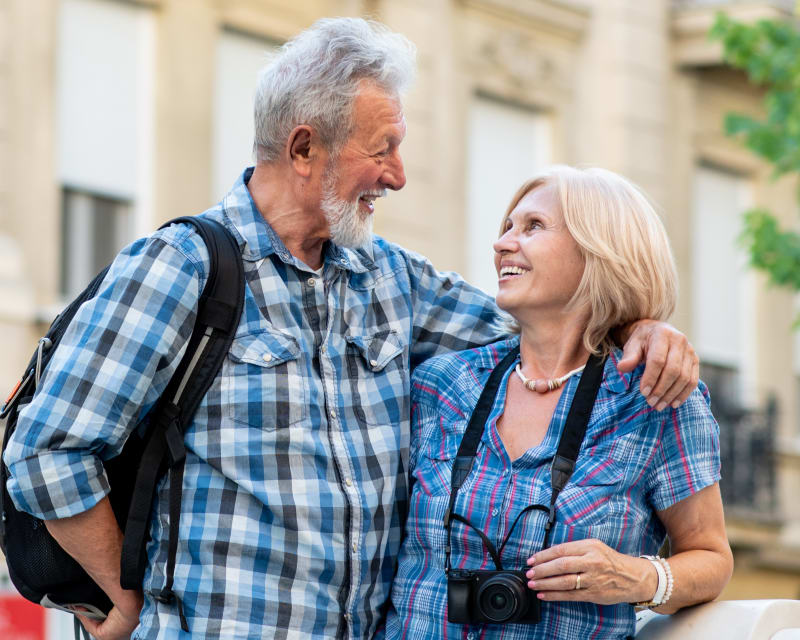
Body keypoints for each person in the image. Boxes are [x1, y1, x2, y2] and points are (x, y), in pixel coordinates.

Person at [5, 19, 698, 640]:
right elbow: (48, 451)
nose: (397, 175)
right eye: (383, 148)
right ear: (304, 148)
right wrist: (123, 600)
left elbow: (551, 324)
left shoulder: (392, 279)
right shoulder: (180, 267)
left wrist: (641, 326)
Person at [384, 166, 733, 639]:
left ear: (600, 251)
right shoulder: (443, 385)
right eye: (506, 227)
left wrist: (636, 577)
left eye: (533, 227)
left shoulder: (657, 398)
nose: (503, 243)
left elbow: (712, 558)